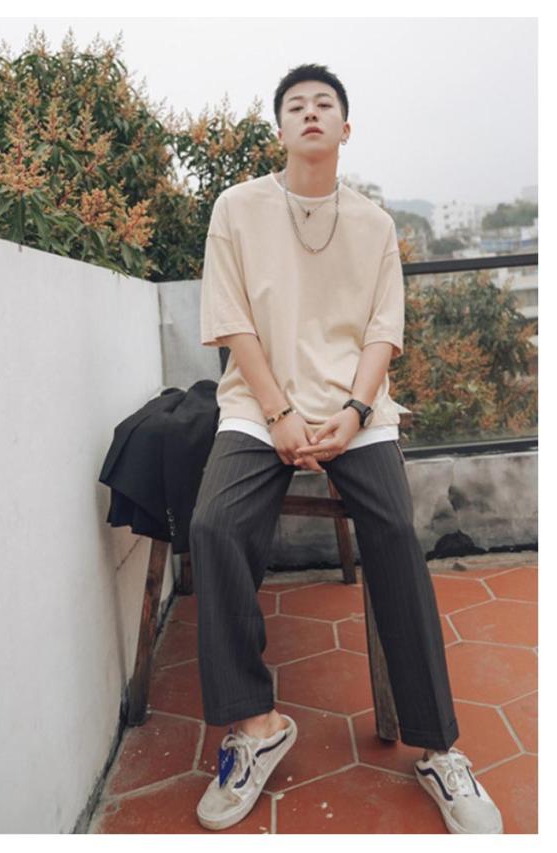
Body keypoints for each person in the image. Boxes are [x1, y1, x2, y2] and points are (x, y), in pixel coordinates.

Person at [189, 63, 503, 835]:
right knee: (213, 526)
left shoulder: (373, 223)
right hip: (260, 406)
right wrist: (279, 412)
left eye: (323, 103)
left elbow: (382, 331)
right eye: (295, 105)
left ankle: (438, 747)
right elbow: (232, 321)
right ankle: (257, 724)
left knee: (395, 531)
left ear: (345, 128)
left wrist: (357, 409)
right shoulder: (237, 207)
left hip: (356, 410)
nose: (310, 112)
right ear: (279, 129)